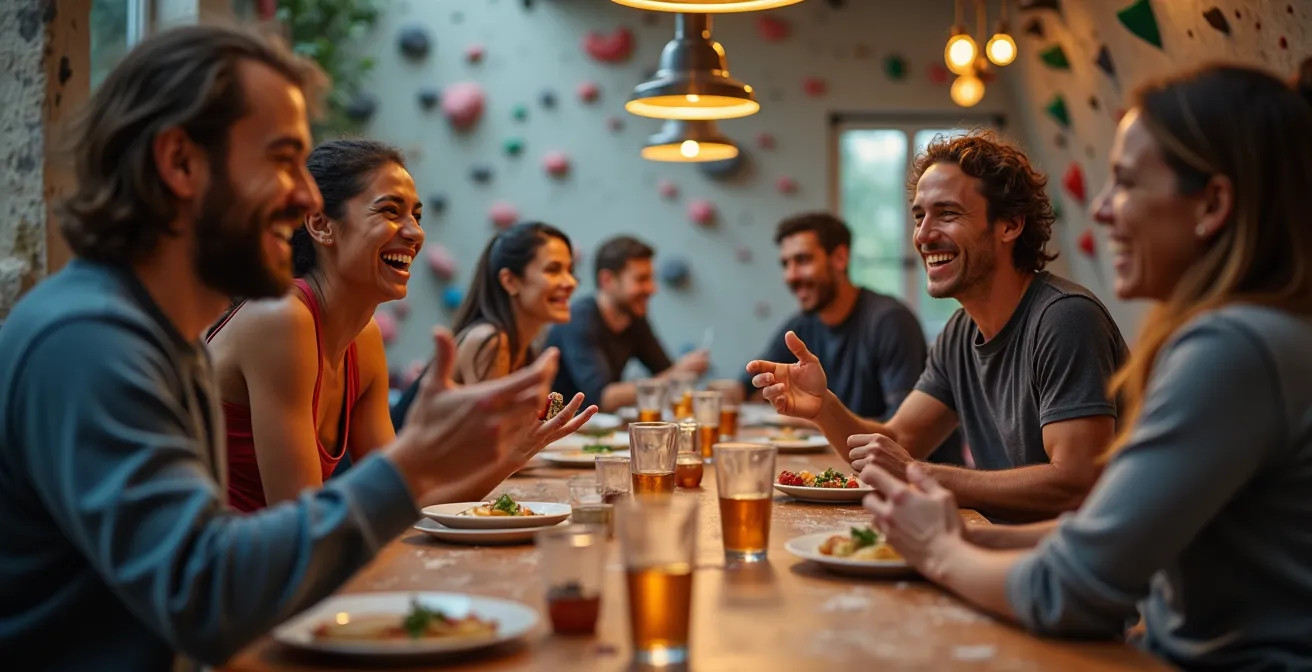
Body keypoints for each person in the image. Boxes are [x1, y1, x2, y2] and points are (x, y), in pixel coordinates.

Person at [0, 25, 570, 670]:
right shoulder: (87, 340)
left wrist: (448, 460)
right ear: (180, 163)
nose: (303, 196)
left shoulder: (158, 337)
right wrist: (411, 468)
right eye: (280, 160)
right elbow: (205, 596)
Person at [859, 62, 1312, 670]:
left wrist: (939, 550)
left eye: (1125, 183)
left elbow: (1068, 590)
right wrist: (961, 535)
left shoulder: (1233, 348)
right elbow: (1103, 530)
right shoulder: (1253, 334)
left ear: (1213, 204)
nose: (1100, 210)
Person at [748, 130, 1128, 523]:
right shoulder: (961, 332)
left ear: (1010, 225)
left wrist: (922, 473)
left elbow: (1075, 482)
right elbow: (895, 443)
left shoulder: (1065, 319)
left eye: (947, 214)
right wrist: (823, 406)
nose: (924, 235)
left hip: (1080, 574)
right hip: (1004, 548)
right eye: (918, 216)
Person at [207, 144, 594, 511]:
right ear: (322, 225)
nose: (415, 233)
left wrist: (514, 455)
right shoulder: (282, 318)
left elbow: (403, 507)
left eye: (417, 216)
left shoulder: (364, 336)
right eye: (391, 212)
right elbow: (302, 528)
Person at [742, 212, 965, 466]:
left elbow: (899, 439)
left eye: (802, 260)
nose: (790, 275)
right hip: (849, 465)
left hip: (919, 485)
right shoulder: (801, 326)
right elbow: (747, 384)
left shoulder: (889, 321)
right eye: (785, 264)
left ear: (839, 257)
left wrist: (815, 416)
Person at [391, 221, 582, 429]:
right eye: (553, 270)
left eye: (570, 270)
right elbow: (489, 442)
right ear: (509, 281)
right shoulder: (491, 340)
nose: (570, 282)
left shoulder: (523, 346)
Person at [546, 235, 709, 411]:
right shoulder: (577, 320)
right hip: (557, 429)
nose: (652, 289)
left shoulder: (633, 316)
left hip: (597, 428)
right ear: (607, 280)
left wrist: (679, 373)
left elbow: (663, 371)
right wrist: (676, 375)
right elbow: (602, 398)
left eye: (651, 279)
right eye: (641, 279)